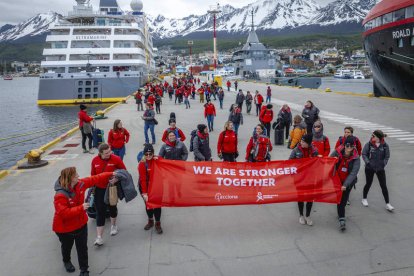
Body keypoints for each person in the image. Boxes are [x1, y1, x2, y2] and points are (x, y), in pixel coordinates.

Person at [53, 167, 118, 276]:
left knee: (82, 248)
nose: (78, 176)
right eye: (75, 175)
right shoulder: (60, 195)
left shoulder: (80, 184)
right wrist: (81, 208)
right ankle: (66, 261)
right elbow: (63, 213)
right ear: (70, 179)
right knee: (66, 246)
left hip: (80, 224)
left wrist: (112, 173)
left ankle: (84, 270)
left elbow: (95, 178)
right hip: (64, 228)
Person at [91, 143, 126, 246]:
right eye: (106, 153)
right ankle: (99, 237)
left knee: (112, 208)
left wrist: (117, 178)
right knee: (100, 212)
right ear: (100, 153)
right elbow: (92, 175)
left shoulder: (116, 159)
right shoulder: (94, 161)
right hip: (99, 189)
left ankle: (113, 226)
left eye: (110, 151)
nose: (109, 154)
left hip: (111, 188)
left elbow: (124, 171)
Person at [330, 136, 361, 231]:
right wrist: (333, 160)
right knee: (340, 200)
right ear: (344, 145)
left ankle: (341, 217)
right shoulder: (337, 151)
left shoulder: (356, 158)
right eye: (347, 145)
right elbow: (328, 161)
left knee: (343, 200)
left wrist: (345, 184)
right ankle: (342, 218)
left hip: (348, 182)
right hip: (337, 180)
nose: (349, 148)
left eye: (352, 146)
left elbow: (353, 173)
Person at [289, 134, 318, 226]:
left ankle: (308, 216)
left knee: (310, 197)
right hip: (299, 178)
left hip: (311, 178)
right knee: (301, 196)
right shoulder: (296, 150)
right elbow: (290, 161)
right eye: (301, 141)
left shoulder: (314, 151)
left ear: (309, 143)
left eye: (304, 142)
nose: (301, 143)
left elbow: (318, 163)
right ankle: (301, 215)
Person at [361, 130, 393, 211]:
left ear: (378, 137)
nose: (372, 137)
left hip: (380, 169)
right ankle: (364, 199)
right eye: (372, 135)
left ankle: (387, 204)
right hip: (369, 168)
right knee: (368, 183)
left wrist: (383, 164)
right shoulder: (368, 144)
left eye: (373, 136)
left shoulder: (385, 146)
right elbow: (364, 154)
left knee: (384, 186)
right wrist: (368, 163)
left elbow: (387, 156)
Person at [138, 144, 163, 234]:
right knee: (149, 206)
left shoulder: (157, 160)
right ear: (144, 154)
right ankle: (150, 221)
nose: (148, 155)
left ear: (153, 153)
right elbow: (143, 179)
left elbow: (165, 163)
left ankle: (158, 223)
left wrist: (159, 159)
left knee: (157, 206)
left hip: (157, 187)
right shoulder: (142, 164)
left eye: (150, 154)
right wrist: (145, 193)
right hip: (146, 188)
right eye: (146, 154)